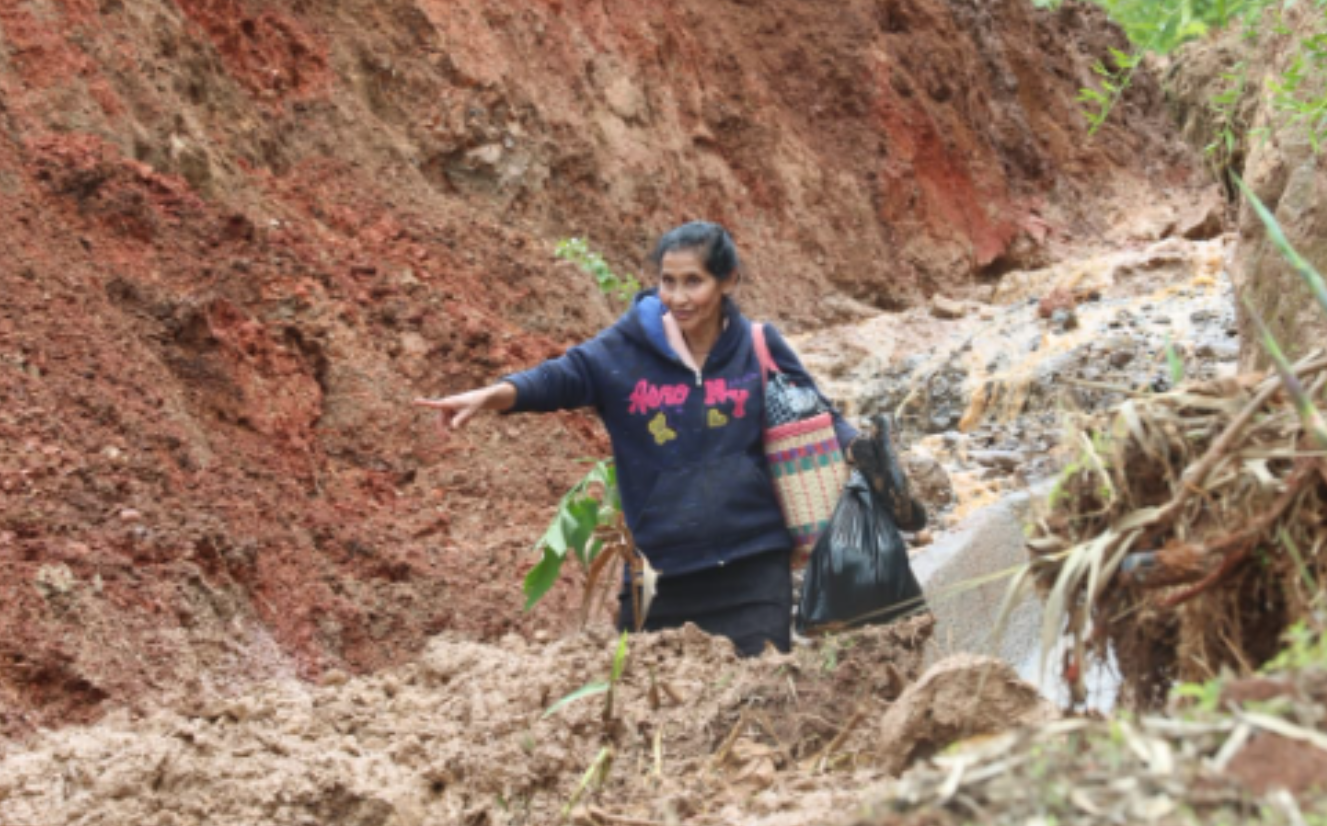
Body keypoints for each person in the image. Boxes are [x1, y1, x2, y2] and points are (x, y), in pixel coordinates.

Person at [414, 221, 858, 656]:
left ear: (728, 281)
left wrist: (859, 449)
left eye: (693, 282)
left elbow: (814, 411)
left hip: (753, 565)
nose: (679, 297)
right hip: (658, 572)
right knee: (648, 712)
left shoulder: (757, 345)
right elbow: (560, 377)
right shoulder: (626, 349)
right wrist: (494, 395)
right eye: (668, 281)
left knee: (750, 707)